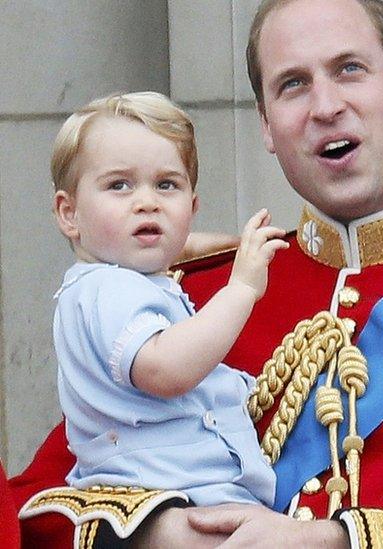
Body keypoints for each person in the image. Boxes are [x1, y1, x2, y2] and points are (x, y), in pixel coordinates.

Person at [11, 0, 383, 547]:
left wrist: (336, 541)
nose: (326, 106)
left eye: (350, 69)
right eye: (293, 85)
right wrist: (147, 530)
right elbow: (35, 506)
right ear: (267, 126)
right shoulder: (193, 296)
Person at [40, 92, 285, 512]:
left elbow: (166, 241)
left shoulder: (108, 280)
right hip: (181, 493)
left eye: (166, 185)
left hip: (167, 486)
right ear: (69, 214)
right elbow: (165, 368)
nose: (147, 201)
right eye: (119, 185)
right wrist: (241, 288)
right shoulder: (109, 288)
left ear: (191, 208)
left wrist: (190, 244)